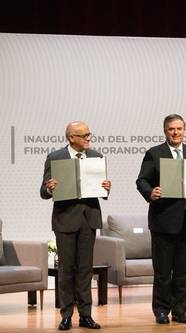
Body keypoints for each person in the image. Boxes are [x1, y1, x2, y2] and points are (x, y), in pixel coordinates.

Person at [136, 114, 186, 325]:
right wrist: (150, 192)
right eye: (171, 129)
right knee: (163, 271)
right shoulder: (154, 153)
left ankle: (180, 310)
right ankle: (161, 310)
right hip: (163, 221)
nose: (175, 132)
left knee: (182, 271)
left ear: (184, 130)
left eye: (179, 128)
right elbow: (141, 180)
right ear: (165, 131)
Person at [40, 121, 111, 330]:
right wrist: (49, 187)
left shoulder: (96, 157)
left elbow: (102, 191)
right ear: (71, 138)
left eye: (89, 134)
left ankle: (86, 315)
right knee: (66, 269)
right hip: (65, 220)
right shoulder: (55, 158)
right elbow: (43, 191)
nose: (89, 138)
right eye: (85, 135)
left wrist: (106, 187)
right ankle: (66, 315)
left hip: (88, 219)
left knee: (85, 269)